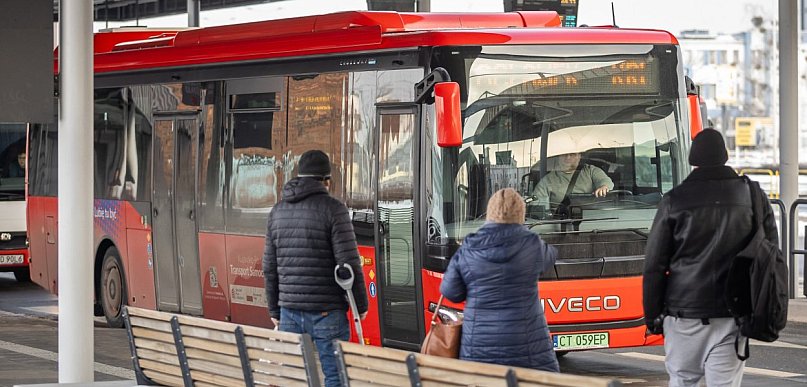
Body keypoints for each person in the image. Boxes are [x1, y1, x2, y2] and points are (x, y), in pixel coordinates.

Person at [643, 129, 778, 387]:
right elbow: (771, 254)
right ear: (725, 156)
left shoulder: (674, 200)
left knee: (683, 380)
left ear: (693, 158)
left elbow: (654, 266)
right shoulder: (752, 196)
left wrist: (653, 317)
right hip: (733, 314)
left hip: (684, 315)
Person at [262, 149, 368, 387]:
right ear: (326, 181)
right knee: (335, 376)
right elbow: (348, 265)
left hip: (289, 311)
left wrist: (274, 310)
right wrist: (360, 306)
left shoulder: (277, 212)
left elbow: (269, 267)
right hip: (327, 312)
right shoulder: (334, 209)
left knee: (295, 377)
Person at [440, 188, 559, 372]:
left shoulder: (469, 247)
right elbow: (551, 256)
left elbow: (451, 293)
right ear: (521, 213)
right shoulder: (533, 244)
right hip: (528, 346)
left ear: (489, 213)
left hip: (478, 347)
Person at [531, 152, 613, 213]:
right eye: (564, 154)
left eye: (572, 154)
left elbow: (605, 181)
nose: (568, 157)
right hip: (559, 224)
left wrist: (604, 187)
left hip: (592, 221)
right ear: (559, 156)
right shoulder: (547, 180)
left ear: (579, 156)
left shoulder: (590, 170)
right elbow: (538, 207)